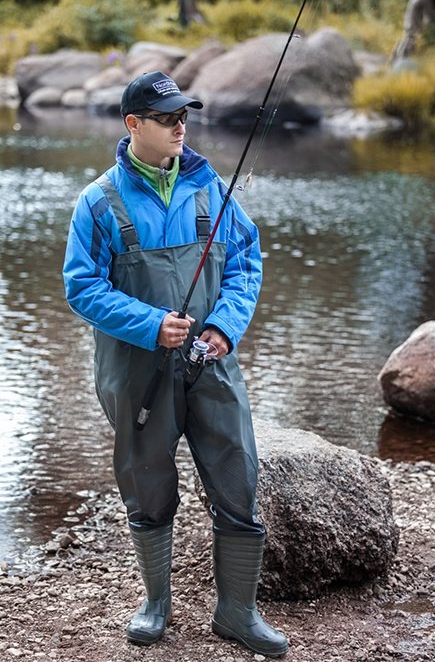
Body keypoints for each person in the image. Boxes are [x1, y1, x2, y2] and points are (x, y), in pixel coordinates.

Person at [62, 71, 288, 658]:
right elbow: (81, 287)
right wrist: (150, 324)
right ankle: (155, 604)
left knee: (237, 476)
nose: (179, 126)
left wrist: (224, 327)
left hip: (210, 364)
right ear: (133, 124)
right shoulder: (98, 201)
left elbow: (246, 262)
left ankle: (238, 612)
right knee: (147, 484)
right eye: (166, 118)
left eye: (183, 116)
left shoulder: (211, 188)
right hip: (135, 371)